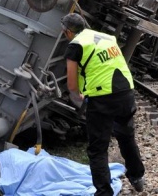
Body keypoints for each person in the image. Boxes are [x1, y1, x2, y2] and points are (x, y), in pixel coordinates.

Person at [61, 13, 145, 196]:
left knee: (98, 148)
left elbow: (72, 85)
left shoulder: (75, 45)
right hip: (126, 92)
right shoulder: (107, 38)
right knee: (126, 136)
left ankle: (104, 192)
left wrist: (78, 96)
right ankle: (137, 177)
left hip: (102, 99)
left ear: (68, 31)